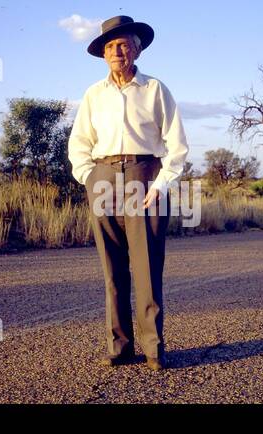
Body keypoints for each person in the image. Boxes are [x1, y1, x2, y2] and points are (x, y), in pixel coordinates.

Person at [68, 15, 189, 371]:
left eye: (123, 45)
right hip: (103, 176)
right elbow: (79, 143)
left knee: (148, 269)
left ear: (137, 50)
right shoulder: (93, 94)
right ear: (103, 55)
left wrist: (162, 182)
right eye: (110, 47)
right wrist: (90, 177)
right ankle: (120, 347)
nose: (117, 52)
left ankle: (153, 349)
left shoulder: (155, 90)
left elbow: (177, 144)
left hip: (144, 176)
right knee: (112, 270)